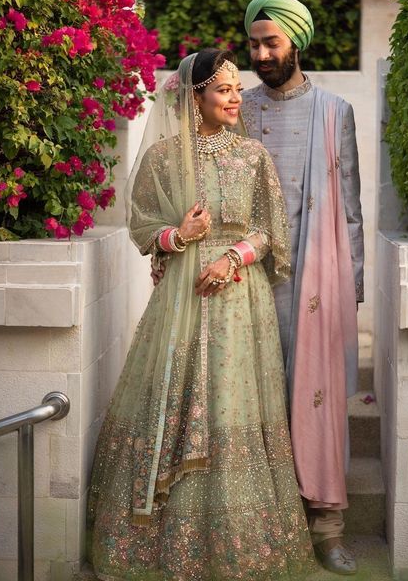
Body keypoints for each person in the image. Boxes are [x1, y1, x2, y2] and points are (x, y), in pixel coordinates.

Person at [86, 48, 316, 580]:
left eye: (237, 88)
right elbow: (143, 227)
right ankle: (161, 545)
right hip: (182, 300)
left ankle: (236, 544)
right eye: (223, 89)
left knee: (227, 405)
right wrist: (179, 236)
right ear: (196, 97)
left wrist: (232, 256)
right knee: (179, 395)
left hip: (239, 300)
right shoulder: (165, 157)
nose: (236, 97)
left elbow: (271, 231)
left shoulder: (254, 156)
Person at [242, 0, 364, 576]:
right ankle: (262, 524)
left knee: (315, 400)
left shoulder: (334, 111)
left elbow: (352, 212)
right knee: (250, 401)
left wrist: (351, 288)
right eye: (254, 44)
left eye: (273, 43)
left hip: (313, 283)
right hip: (246, 280)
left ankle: (327, 528)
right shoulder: (234, 107)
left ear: (296, 42)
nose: (262, 54)